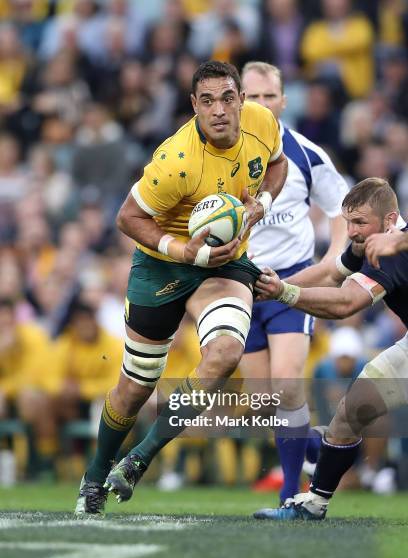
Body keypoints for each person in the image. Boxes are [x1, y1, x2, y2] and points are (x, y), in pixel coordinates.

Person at [75, 60, 288, 515]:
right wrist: (183, 250)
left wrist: (261, 204)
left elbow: (278, 165)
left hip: (225, 264)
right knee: (136, 386)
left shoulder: (263, 123)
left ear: (242, 100)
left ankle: (140, 457)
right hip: (163, 265)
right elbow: (127, 218)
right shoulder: (176, 160)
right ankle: (94, 476)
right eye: (206, 101)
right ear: (194, 106)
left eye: (227, 98)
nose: (218, 110)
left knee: (227, 353)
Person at [252, 177, 408, 520]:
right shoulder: (368, 244)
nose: (351, 231)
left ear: (390, 219)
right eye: (348, 221)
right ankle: (314, 505)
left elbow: (345, 304)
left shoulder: (394, 252)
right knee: (350, 413)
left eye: (360, 223)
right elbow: (329, 275)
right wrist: (268, 286)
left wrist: (284, 294)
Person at [239, 61, 348, 506]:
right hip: (238, 285)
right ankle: (315, 449)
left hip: (290, 282)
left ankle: (290, 492)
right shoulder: (216, 156)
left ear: (283, 101)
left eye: (269, 96)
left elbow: (342, 209)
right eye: (252, 97)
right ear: (237, 101)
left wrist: (335, 259)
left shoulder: (306, 154)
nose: (262, 104)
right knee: (261, 403)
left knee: (287, 387)